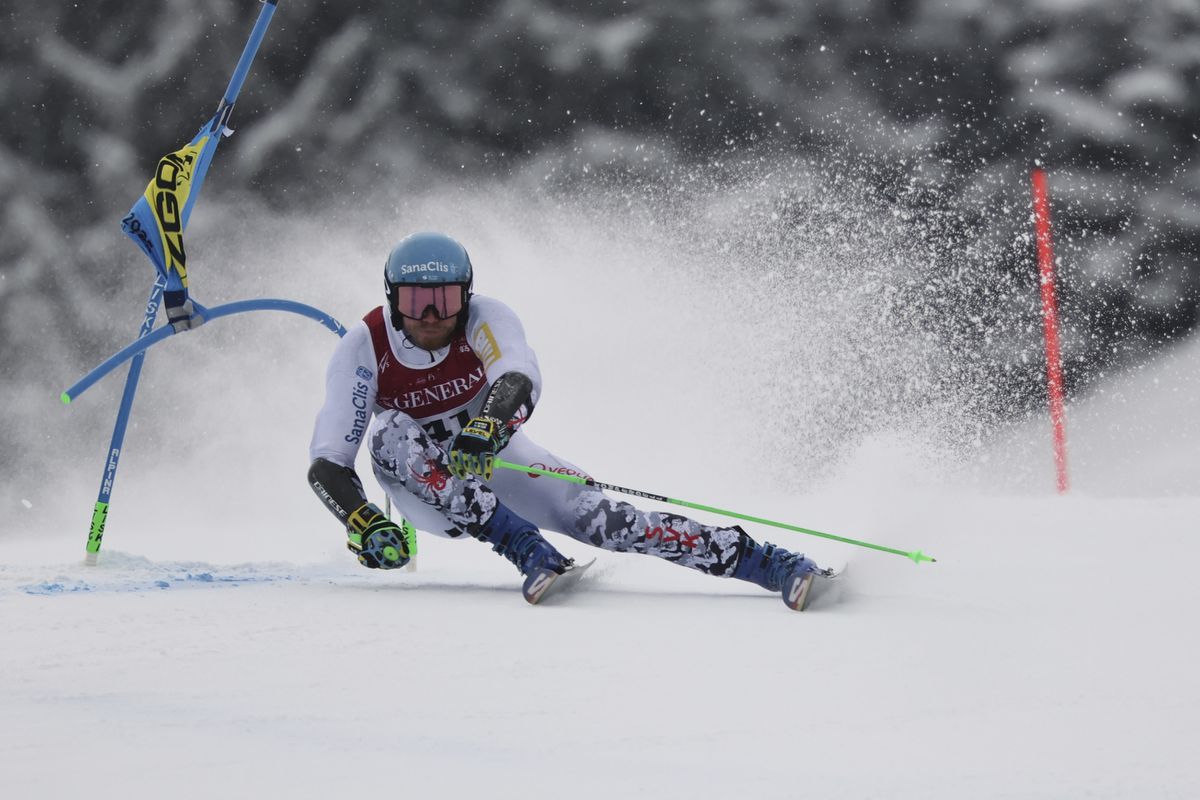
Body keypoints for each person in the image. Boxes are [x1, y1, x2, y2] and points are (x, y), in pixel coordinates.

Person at [307, 232, 826, 608]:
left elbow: (517, 376)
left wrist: (487, 428)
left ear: (465, 296)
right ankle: (524, 546)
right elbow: (328, 461)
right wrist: (361, 521)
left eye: (444, 300)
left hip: (492, 460)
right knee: (390, 428)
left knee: (602, 519)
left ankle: (769, 563)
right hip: (423, 495)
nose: (430, 317)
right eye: (416, 301)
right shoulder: (363, 346)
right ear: (392, 299)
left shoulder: (486, 318)